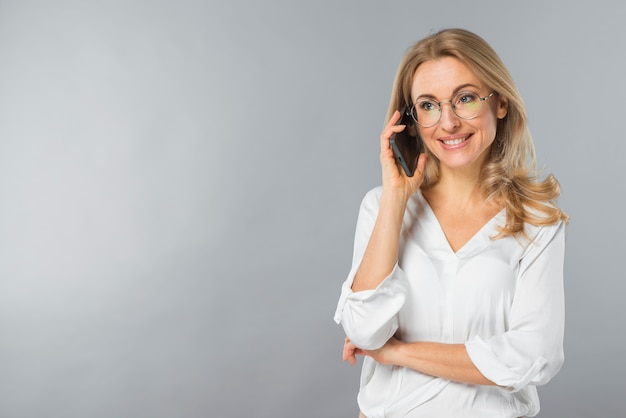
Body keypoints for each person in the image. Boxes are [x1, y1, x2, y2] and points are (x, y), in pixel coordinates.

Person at [333, 28, 568, 418]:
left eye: (465, 99)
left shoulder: (537, 220)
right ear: (411, 120)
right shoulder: (381, 207)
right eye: (428, 105)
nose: (449, 122)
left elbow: (534, 356)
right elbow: (364, 330)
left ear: (501, 103)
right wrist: (395, 198)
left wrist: (397, 352)